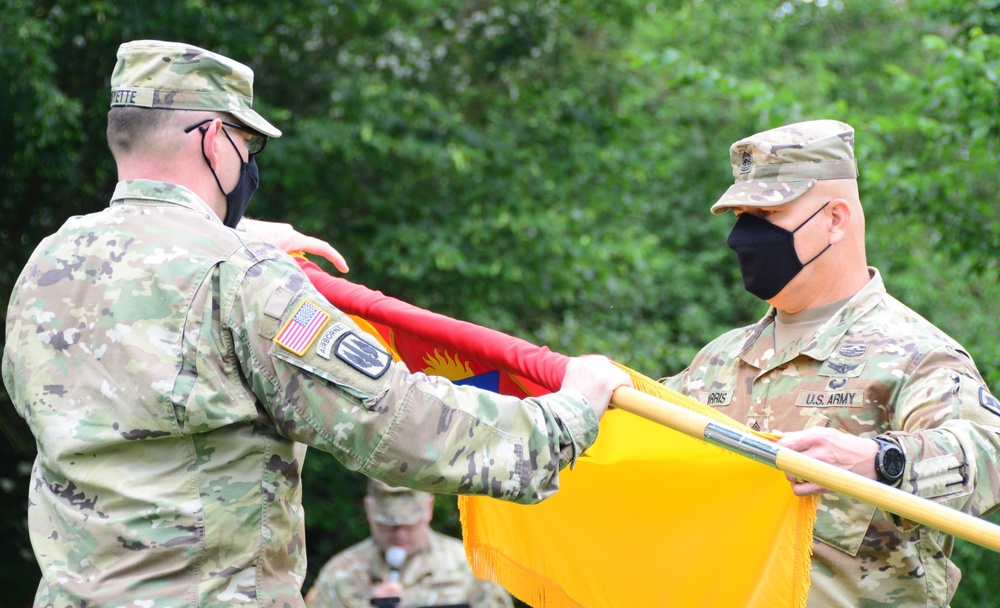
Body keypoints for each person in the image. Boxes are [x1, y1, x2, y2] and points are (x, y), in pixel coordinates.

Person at [1, 40, 631, 607]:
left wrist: (228, 235)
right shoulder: (242, 277)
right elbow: (399, 427)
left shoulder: (50, 262)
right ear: (214, 138)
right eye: (250, 146)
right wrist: (569, 411)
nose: (250, 166)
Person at [660, 119, 1000, 607]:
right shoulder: (718, 359)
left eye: (766, 214)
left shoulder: (914, 354)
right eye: (740, 216)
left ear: (835, 220)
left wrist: (879, 461)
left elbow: (991, 451)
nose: (742, 237)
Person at [304, 480, 513, 608]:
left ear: (429, 507)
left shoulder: (470, 568)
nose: (400, 534)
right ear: (369, 509)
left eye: (410, 523)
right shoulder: (340, 574)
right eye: (388, 525)